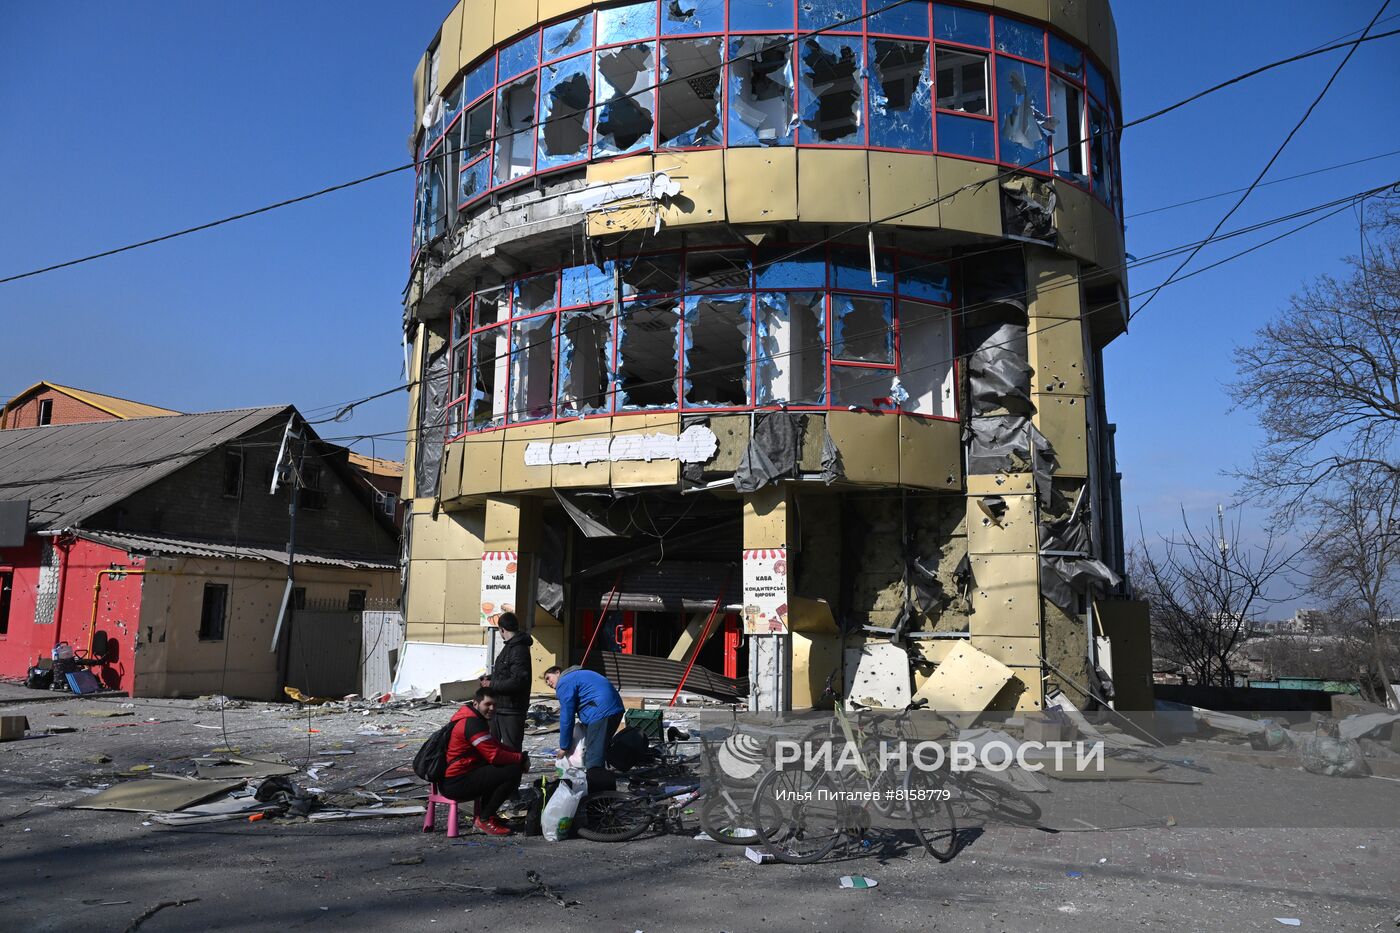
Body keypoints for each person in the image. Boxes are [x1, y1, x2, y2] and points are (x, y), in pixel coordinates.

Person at [440, 686, 528, 836]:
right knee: (512, 770)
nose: (492, 708)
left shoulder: (473, 719)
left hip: (458, 777)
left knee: (502, 768)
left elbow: (494, 745)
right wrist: (520, 759)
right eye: (487, 704)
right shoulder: (472, 723)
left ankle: (488, 815)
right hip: (456, 782)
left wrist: (518, 754)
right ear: (476, 703)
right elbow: (494, 755)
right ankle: (484, 819)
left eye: (494, 705)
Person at [544, 665, 625, 769]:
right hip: (615, 708)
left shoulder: (564, 682)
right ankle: (609, 771)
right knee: (600, 747)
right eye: (546, 682)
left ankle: (595, 776)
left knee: (594, 756)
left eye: (548, 678)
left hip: (600, 711)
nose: (548, 683)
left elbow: (567, 717)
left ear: (557, 672)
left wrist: (564, 747)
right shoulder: (577, 675)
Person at [480, 611, 532, 751]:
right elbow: (505, 672)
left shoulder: (518, 649)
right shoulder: (510, 647)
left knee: (511, 750)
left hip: (512, 710)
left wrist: (492, 684)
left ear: (502, 629)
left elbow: (517, 681)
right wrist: (490, 678)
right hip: (501, 707)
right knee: (493, 748)